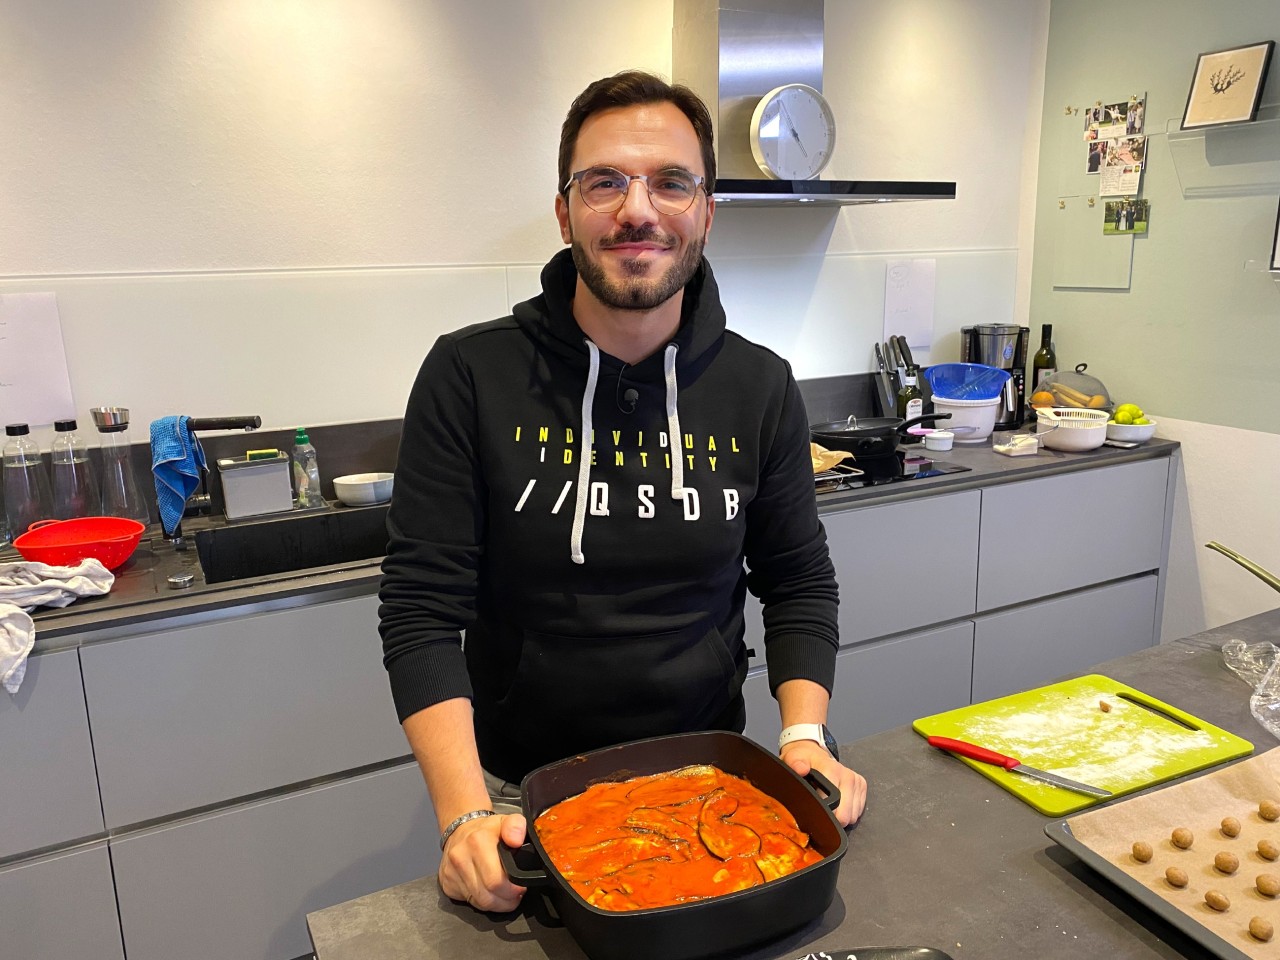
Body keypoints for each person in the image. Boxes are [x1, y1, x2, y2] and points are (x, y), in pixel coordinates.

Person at [378, 70, 868, 914]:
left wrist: (804, 735)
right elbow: (421, 609)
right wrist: (462, 814)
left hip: (715, 783)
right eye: (604, 181)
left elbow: (797, 582)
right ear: (565, 211)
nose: (637, 209)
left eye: (670, 181)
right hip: (518, 804)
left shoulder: (760, 386)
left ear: (706, 211)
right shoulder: (470, 373)